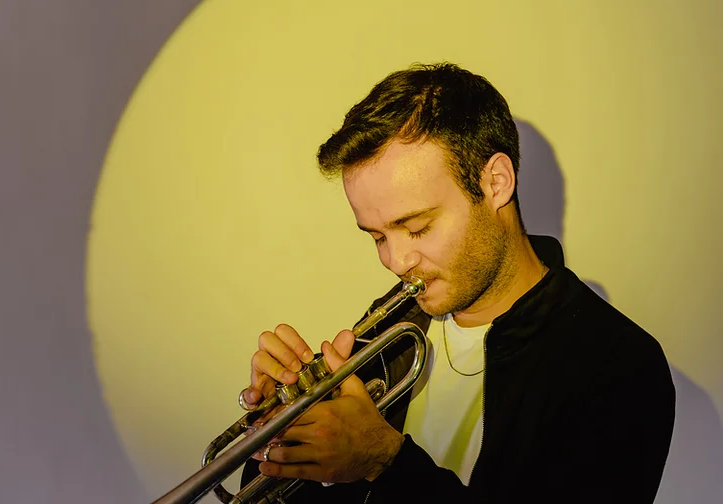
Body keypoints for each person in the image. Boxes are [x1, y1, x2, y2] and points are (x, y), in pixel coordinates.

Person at [239, 62, 676, 503]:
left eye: (417, 227)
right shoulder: (394, 325)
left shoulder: (619, 365)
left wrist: (384, 462)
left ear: (495, 183)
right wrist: (281, 431)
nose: (396, 260)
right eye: (377, 236)